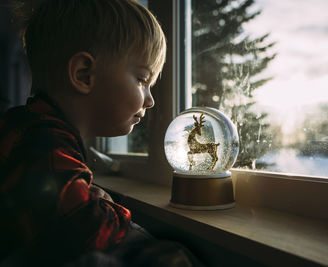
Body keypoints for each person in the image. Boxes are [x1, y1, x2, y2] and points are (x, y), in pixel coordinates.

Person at [0, 0, 202, 266]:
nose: (150, 100)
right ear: (84, 75)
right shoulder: (44, 141)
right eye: (142, 81)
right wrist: (113, 209)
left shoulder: (30, 128)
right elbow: (82, 230)